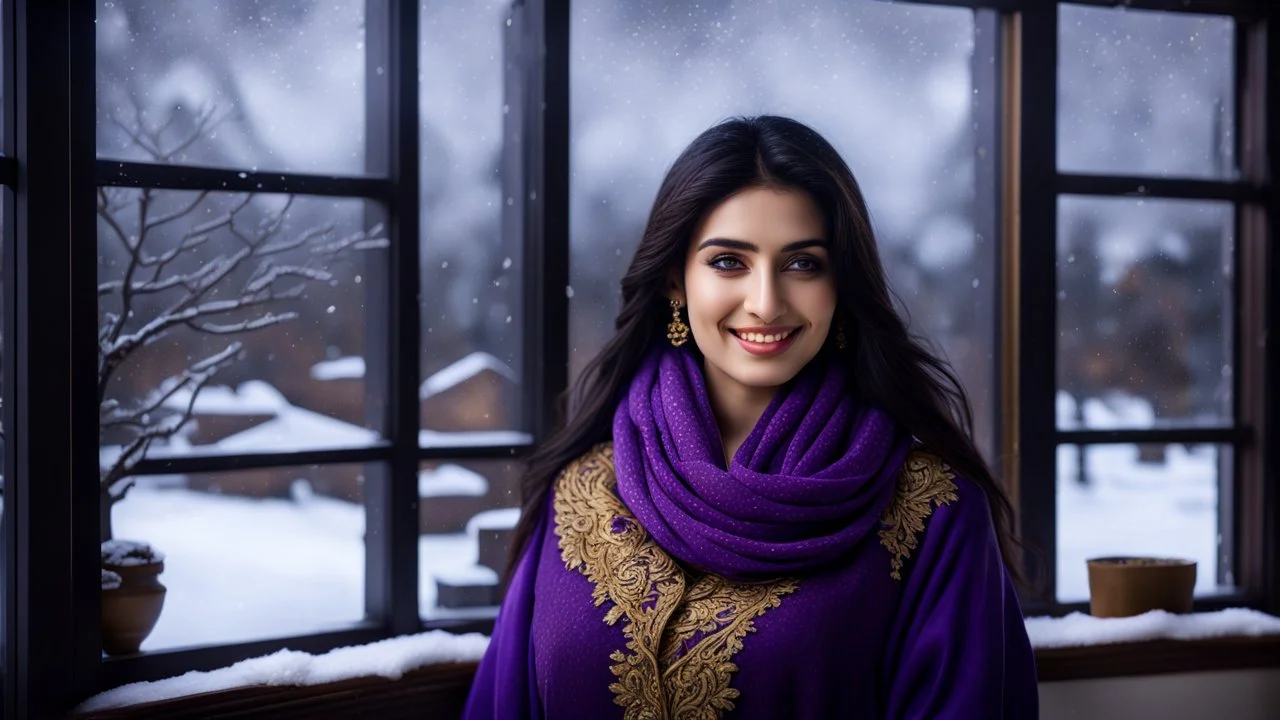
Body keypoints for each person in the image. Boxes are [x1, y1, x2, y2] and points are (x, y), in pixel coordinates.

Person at [463, 115, 1038, 719]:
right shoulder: (581, 491)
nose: (765, 302)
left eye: (802, 264)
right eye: (728, 262)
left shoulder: (931, 509)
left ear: (840, 284)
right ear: (673, 281)